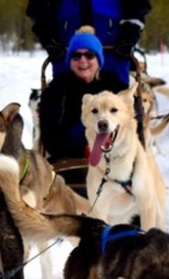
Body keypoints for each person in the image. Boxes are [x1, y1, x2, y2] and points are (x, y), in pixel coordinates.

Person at [37, 26, 126, 194]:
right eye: (76, 56)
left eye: (89, 55)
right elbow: (50, 135)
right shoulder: (57, 89)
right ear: (70, 61)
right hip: (69, 156)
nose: (83, 60)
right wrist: (82, 148)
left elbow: (129, 124)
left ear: (98, 59)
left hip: (114, 155)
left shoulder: (115, 86)